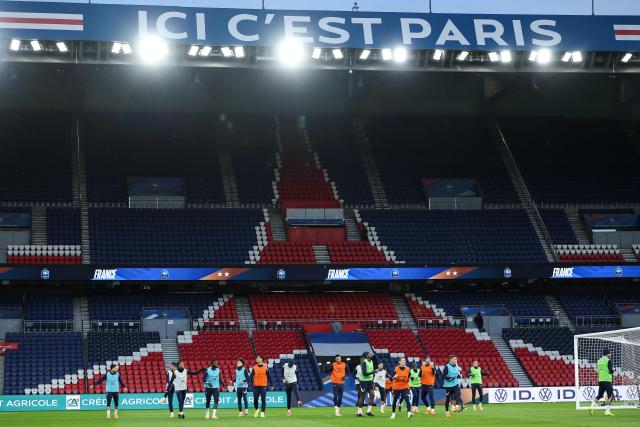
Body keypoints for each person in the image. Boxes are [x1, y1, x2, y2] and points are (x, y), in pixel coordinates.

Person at [590, 349, 615, 417]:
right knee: (610, 396)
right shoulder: (608, 360)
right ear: (607, 354)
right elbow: (610, 371)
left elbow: (599, 370)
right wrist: (613, 371)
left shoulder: (599, 360)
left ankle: (591, 406)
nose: (611, 355)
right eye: (610, 354)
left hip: (601, 380)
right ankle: (607, 411)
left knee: (600, 395)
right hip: (607, 380)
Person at [356, 351, 376, 417]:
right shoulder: (364, 362)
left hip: (370, 381)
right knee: (362, 397)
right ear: (367, 356)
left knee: (372, 395)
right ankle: (359, 412)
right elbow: (364, 374)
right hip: (363, 381)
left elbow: (370, 372)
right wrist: (373, 372)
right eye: (369, 353)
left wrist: (373, 374)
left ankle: (368, 411)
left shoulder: (372, 362)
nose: (371, 354)